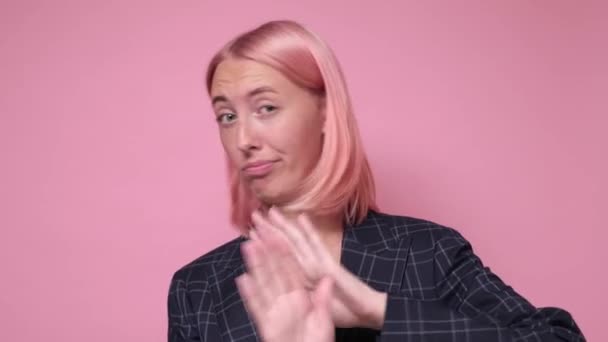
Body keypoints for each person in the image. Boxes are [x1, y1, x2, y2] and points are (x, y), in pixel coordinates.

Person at [167, 20, 586, 341]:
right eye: (226, 116)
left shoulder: (428, 253)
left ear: (327, 114)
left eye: (266, 108)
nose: (242, 140)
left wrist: (378, 310)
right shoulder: (196, 288)